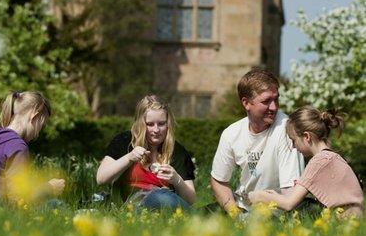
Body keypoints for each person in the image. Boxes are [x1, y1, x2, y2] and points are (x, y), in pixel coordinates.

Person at [211, 68, 305, 213]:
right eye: (266, 101)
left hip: (276, 211)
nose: (273, 107)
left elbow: (290, 195)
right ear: (246, 103)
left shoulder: (288, 130)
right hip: (243, 206)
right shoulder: (231, 133)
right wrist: (235, 214)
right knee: (196, 217)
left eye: (276, 99)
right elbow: (219, 181)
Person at [249, 106, 364, 218]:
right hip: (353, 219)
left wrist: (259, 196)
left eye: (294, 140)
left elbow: (289, 203)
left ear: (307, 136)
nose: (293, 146)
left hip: (344, 221)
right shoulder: (332, 157)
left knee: (293, 211)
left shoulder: (318, 162)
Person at [96, 95, 196, 210]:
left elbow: (191, 199)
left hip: (165, 207)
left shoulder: (177, 151)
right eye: (150, 124)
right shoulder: (124, 141)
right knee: (158, 197)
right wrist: (129, 158)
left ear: (168, 123)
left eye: (162, 123)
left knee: (162, 197)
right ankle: (199, 219)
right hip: (131, 208)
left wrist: (176, 179)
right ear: (140, 123)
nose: (156, 130)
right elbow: (101, 179)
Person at [0, 91, 65, 203]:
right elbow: (17, 201)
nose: (37, 134)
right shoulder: (17, 146)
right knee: (55, 205)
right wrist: (49, 188)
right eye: (41, 126)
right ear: (34, 116)